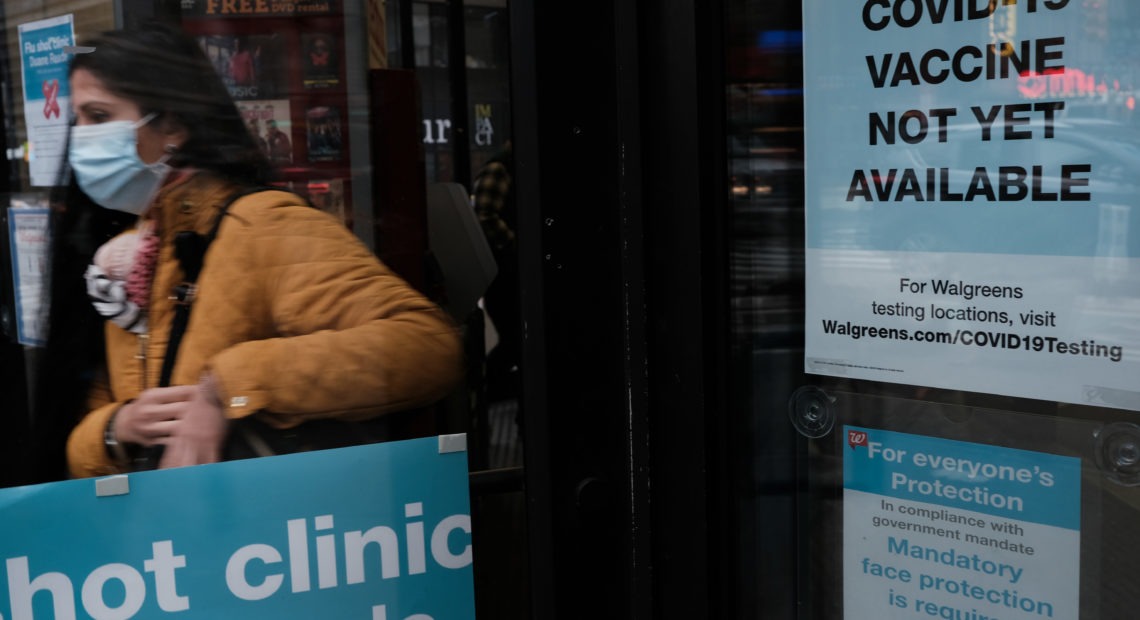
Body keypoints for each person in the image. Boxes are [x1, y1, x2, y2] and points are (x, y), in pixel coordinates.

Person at [35, 23, 463, 481]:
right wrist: (115, 429)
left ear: (174, 126)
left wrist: (228, 388)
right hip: (169, 541)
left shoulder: (260, 225)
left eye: (98, 117)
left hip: (266, 536)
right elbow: (85, 425)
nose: (80, 138)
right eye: (77, 119)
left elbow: (426, 347)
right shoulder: (130, 253)